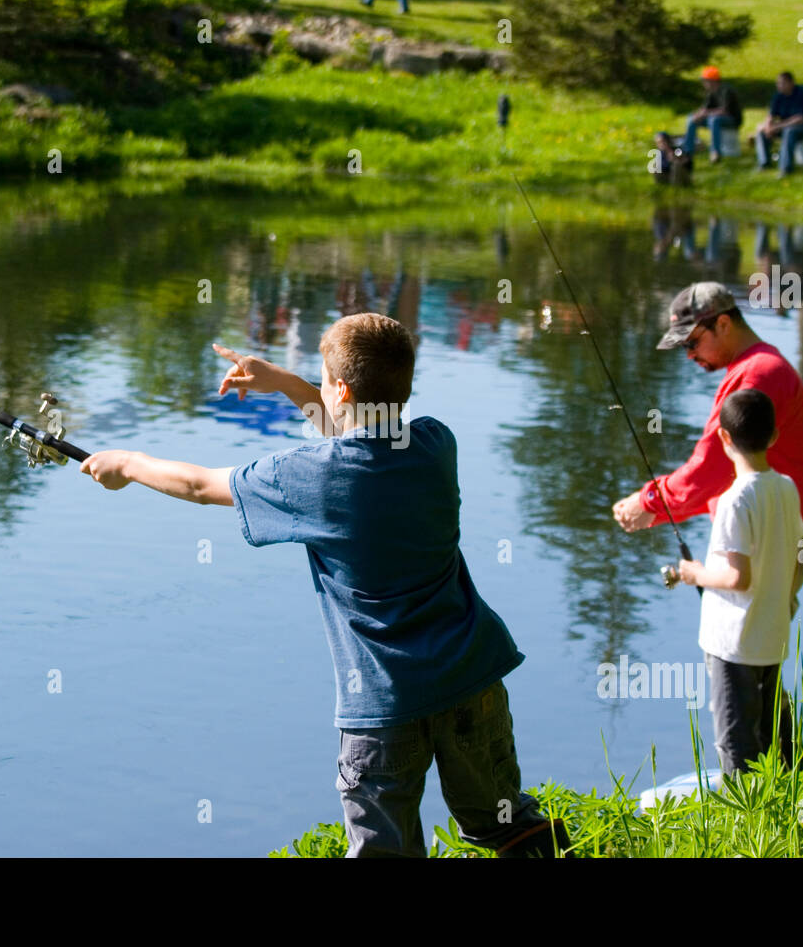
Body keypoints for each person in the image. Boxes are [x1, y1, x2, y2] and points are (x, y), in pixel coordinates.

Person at [81, 313, 568, 858]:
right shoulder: (435, 444)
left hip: (383, 707)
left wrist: (128, 461)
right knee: (507, 824)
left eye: (322, 378)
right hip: (471, 679)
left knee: (386, 850)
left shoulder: (304, 476)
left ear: (339, 387)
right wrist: (288, 384)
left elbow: (198, 485)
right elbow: (364, 434)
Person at [611, 283, 803, 627]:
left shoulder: (756, 374)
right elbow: (725, 475)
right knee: (751, 658)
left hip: (771, 537)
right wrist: (662, 511)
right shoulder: (756, 366)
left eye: (692, 342)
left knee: (742, 657)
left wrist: (651, 499)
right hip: (772, 531)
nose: (689, 355)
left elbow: (711, 466)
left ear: (723, 324)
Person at [673, 389, 803, 775]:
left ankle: (747, 823)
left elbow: (736, 576)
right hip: (771, 635)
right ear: (775, 435)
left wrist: (693, 573)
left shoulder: (735, 500)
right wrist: (787, 591)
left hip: (732, 644)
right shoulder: (787, 488)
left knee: (735, 740)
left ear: (725, 438)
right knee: (772, 731)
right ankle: (789, 799)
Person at [754, 71, 803, 176]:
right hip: (785, 126)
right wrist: (768, 126)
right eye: (778, 83)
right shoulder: (779, 96)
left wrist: (777, 126)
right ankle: (764, 163)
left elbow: (801, 119)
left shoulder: (802, 94)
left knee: (789, 132)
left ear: (791, 83)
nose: (779, 86)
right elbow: (771, 115)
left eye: (782, 83)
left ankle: (785, 168)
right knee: (761, 132)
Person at [681, 66, 743, 163]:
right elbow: (705, 108)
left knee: (714, 120)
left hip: (732, 120)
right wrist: (697, 115)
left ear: (712, 81)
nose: (703, 84)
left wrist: (706, 113)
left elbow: (724, 111)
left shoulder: (726, 91)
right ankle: (688, 151)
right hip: (716, 119)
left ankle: (715, 152)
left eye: (705, 81)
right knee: (691, 118)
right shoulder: (711, 93)